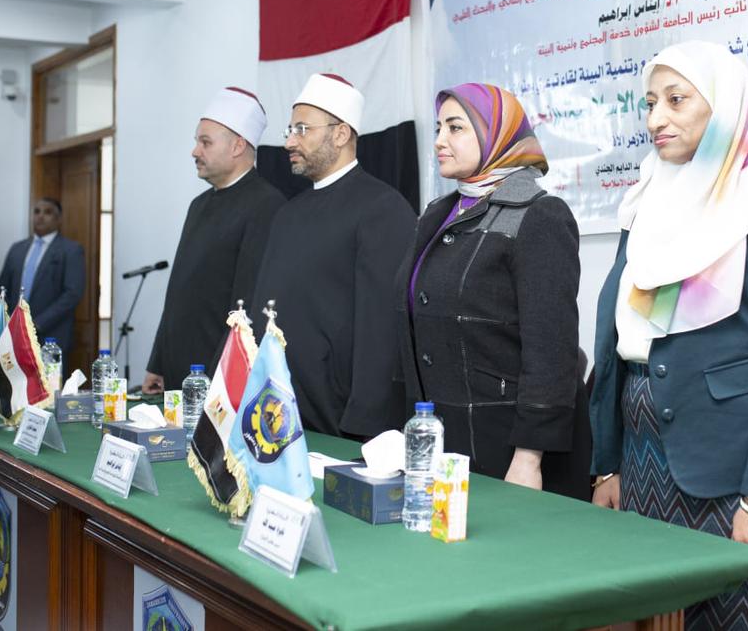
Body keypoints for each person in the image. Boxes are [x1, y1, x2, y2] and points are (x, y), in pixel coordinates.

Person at [590, 42, 748, 630]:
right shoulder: (649, 200)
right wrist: (607, 465)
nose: (656, 118)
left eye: (676, 100)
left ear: (725, 106)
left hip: (744, 472)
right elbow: (617, 344)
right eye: (650, 102)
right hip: (646, 465)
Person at [396, 83, 590, 499]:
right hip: (444, 447)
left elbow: (551, 351)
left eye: (455, 128)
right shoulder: (437, 214)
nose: (439, 140)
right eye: (438, 128)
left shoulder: (539, 215)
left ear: (495, 136)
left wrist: (528, 459)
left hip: (509, 452)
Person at [250, 73, 415, 440]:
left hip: (339, 422)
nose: (290, 141)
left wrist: (365, 425)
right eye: (290, 130)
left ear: (340, 134)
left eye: (302, 129)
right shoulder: (288, 214)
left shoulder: (383, 209)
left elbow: (382, 332)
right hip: (275, 411)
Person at [143, 87, 285, 393]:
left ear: (237, 146)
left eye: (205, 142)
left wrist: (218, 381)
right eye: (197, 141)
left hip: (217, 379)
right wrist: (158, 361)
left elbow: (246, 308)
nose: (195, 151)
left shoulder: (267, 205)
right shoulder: (199, 205)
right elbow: (178, 291)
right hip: (177, 373)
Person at [0, 197, 85, 356]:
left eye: (47, 212)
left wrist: (37, 324)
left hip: (51, 336)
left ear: (59, 219)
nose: (40, 216)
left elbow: (72, 294)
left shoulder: (71, 250)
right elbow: (2, 289)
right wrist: (9, 321)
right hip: (15, 336)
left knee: (48, 374)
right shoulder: (17, 249)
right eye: (37, 212)